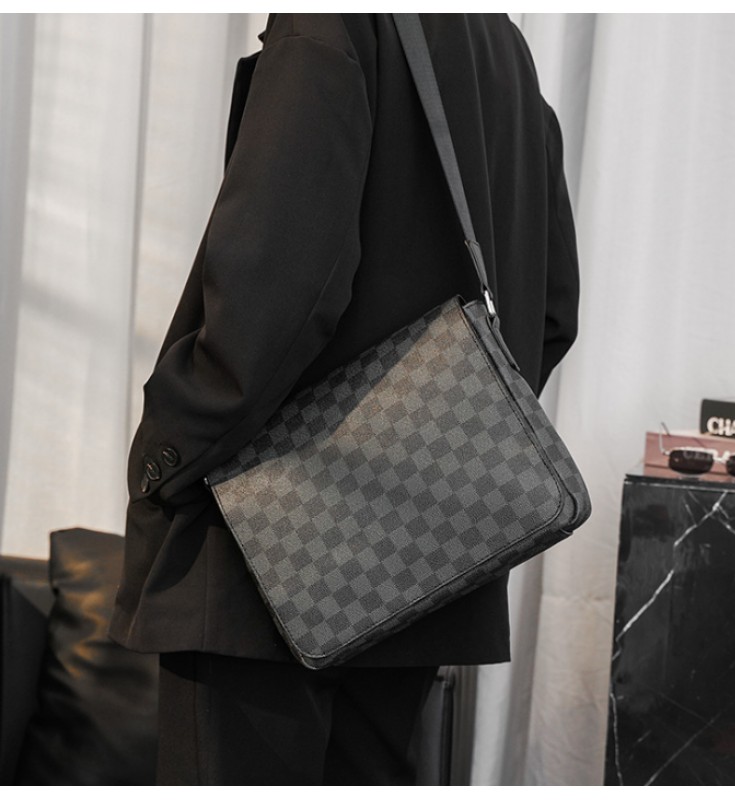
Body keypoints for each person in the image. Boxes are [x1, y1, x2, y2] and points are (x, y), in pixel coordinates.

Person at [110, 13, 580, 785]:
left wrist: (164, 455)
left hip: (261, 548)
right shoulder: (502, 45)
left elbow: (278, 288)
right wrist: (442, 439)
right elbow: (550, 312)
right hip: (424, 566)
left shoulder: (330, 22)